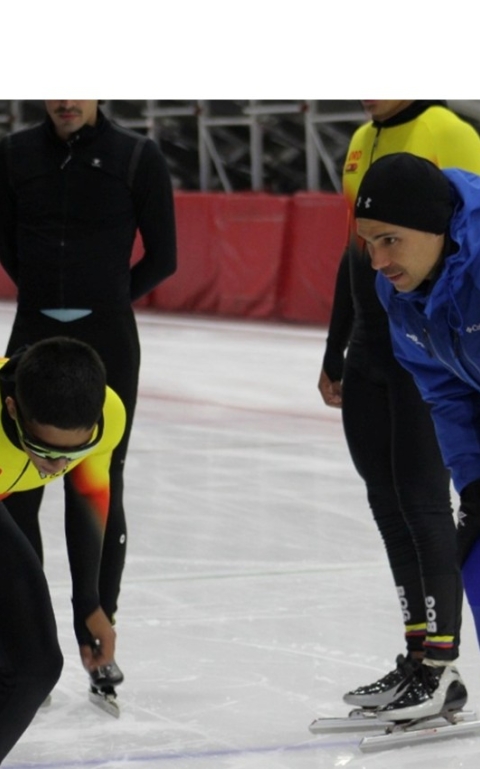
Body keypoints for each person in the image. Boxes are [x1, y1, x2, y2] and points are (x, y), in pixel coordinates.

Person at [0, 100, 177, 700]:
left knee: (99, 482)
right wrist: (45, 292)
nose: (64, 98)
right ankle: (20, 638)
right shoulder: (15, 153)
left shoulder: (136, 156)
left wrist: (106, 296)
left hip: (107, 338)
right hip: (32, 331)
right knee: (17, 492)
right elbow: (7, 241)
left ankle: (96, 626)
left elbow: (165, 255)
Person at [317, 101, 480, 712]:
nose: (378, 259)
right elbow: (446, 390)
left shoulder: (444, 131)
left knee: (425, 506)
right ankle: (426, 659)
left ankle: (439, 666)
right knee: (394, 506)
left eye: (390, 241)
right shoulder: (363, 142)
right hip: (389, 353)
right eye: (371, 243)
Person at [0, 335, 125, 762]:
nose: (58, 465)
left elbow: (89, 497)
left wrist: (89, 604)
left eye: (76, 450)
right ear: (13, 409)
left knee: (34, 666)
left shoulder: (108, 412)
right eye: (44, 449)